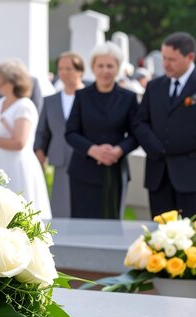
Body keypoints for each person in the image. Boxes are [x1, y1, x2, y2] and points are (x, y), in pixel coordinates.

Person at [132, 32, 196, 219]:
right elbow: (139, 121)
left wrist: (174, 146)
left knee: (190, 237)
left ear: (190, 57)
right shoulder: (154, 86)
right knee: (159, 236)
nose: (165, 64)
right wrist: (154, 146)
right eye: (164, 58)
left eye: (172, 59)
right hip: (158, 173)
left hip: (191, 175)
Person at [65, 42, 138, 219]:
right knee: (83, 223)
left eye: (110, 66)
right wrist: (94, 150)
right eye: (101, 66)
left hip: (114, 169)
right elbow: (71, 132)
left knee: (110, 224)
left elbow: (136, 134)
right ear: (93, 68)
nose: (105, 70)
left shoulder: (128, 98)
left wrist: (118, 150)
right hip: (83, 171)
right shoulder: (82, 96)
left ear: (118, 68)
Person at [0, 60, 51, 219]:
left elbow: (19, 143)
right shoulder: (0, 103)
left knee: (17, 214)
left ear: (11, 81)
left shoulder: (24, 105)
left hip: (15, 168)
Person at [35, 52, 85, 218]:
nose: (64, 73)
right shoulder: (51, 100)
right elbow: (42, 131)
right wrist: (39, 150)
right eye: (61, 69)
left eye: (69, 69)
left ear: (80, 71)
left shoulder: (90, 98)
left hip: (85, 158)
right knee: (60, 204)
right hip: (60, 159)